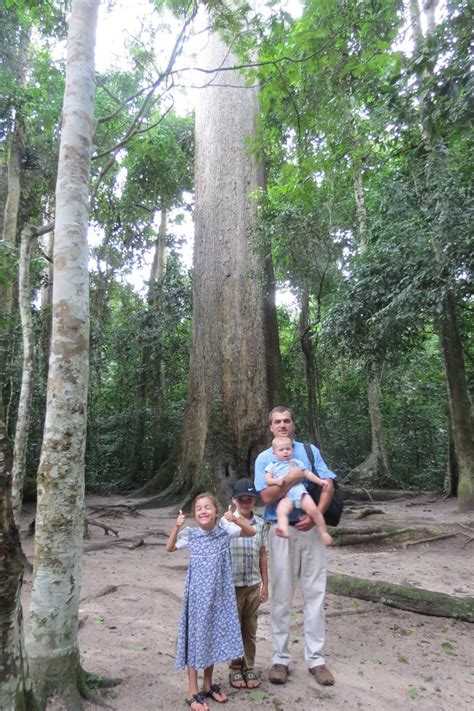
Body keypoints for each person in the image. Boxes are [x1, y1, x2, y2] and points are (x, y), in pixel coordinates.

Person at [254, 406, 336, 688]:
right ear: (270, 427)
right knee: (282, 597)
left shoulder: (309, 451)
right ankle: (280, 659)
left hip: (310, 531)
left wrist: (317, 518)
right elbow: (265, 497)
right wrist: (290, 479)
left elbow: (328, 485)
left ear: (293, 424)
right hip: (281, 531)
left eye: (286, 420)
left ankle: (316, 660)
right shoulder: (265, 458)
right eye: (277, 421)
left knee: (315, 593)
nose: (282, 425)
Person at [166, 493, 256, 711]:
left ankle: (207, 685)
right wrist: (177, 527)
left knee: (211, 639)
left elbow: (252, 532)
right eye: (198, 508)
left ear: (216, 512)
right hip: (196, 599)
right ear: (195, 514)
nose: (203, 511)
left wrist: (235, 519)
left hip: (218, 598)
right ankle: (192, 691)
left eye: (207, 507)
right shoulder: (192, 535)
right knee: (196, 640)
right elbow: (169, 548)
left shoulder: (225, 532)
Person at [228, 478, 268, 690]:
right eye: (241, 499)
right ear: (234, 500)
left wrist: (265, 585)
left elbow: (262, 555)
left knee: (250, 628)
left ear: (255, 501)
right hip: (232, 585)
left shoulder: (261, 524)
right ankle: (235, 668)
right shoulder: (226, 522)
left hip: (253, 583)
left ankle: (249, 666)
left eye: (249, 499)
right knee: (234, 628)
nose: (245, 502)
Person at [265, 435, 333, 543]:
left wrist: (320, 482)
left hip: (300, 493)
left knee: (314, 510)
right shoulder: (272, 466)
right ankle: (283, 530)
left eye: (288, 449)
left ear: (292, 450)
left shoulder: (297, 462)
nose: (285, 452)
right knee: (281, 511)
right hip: (286, 496)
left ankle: (324, 532)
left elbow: (308, 474)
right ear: (274, 453)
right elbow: (267, 480)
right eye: (281, 450)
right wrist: (276, 481)